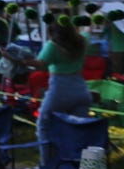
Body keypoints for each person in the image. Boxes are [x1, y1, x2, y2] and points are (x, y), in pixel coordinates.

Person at [33, 16, 93, 160]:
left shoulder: (52, 46)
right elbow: (88, 30)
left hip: (59, 90)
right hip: (81, 90)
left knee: (44, 124)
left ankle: (46, 162)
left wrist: (17, 60)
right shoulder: (83, 40)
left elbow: (40, 64)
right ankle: (79, 164)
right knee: (79, 130)